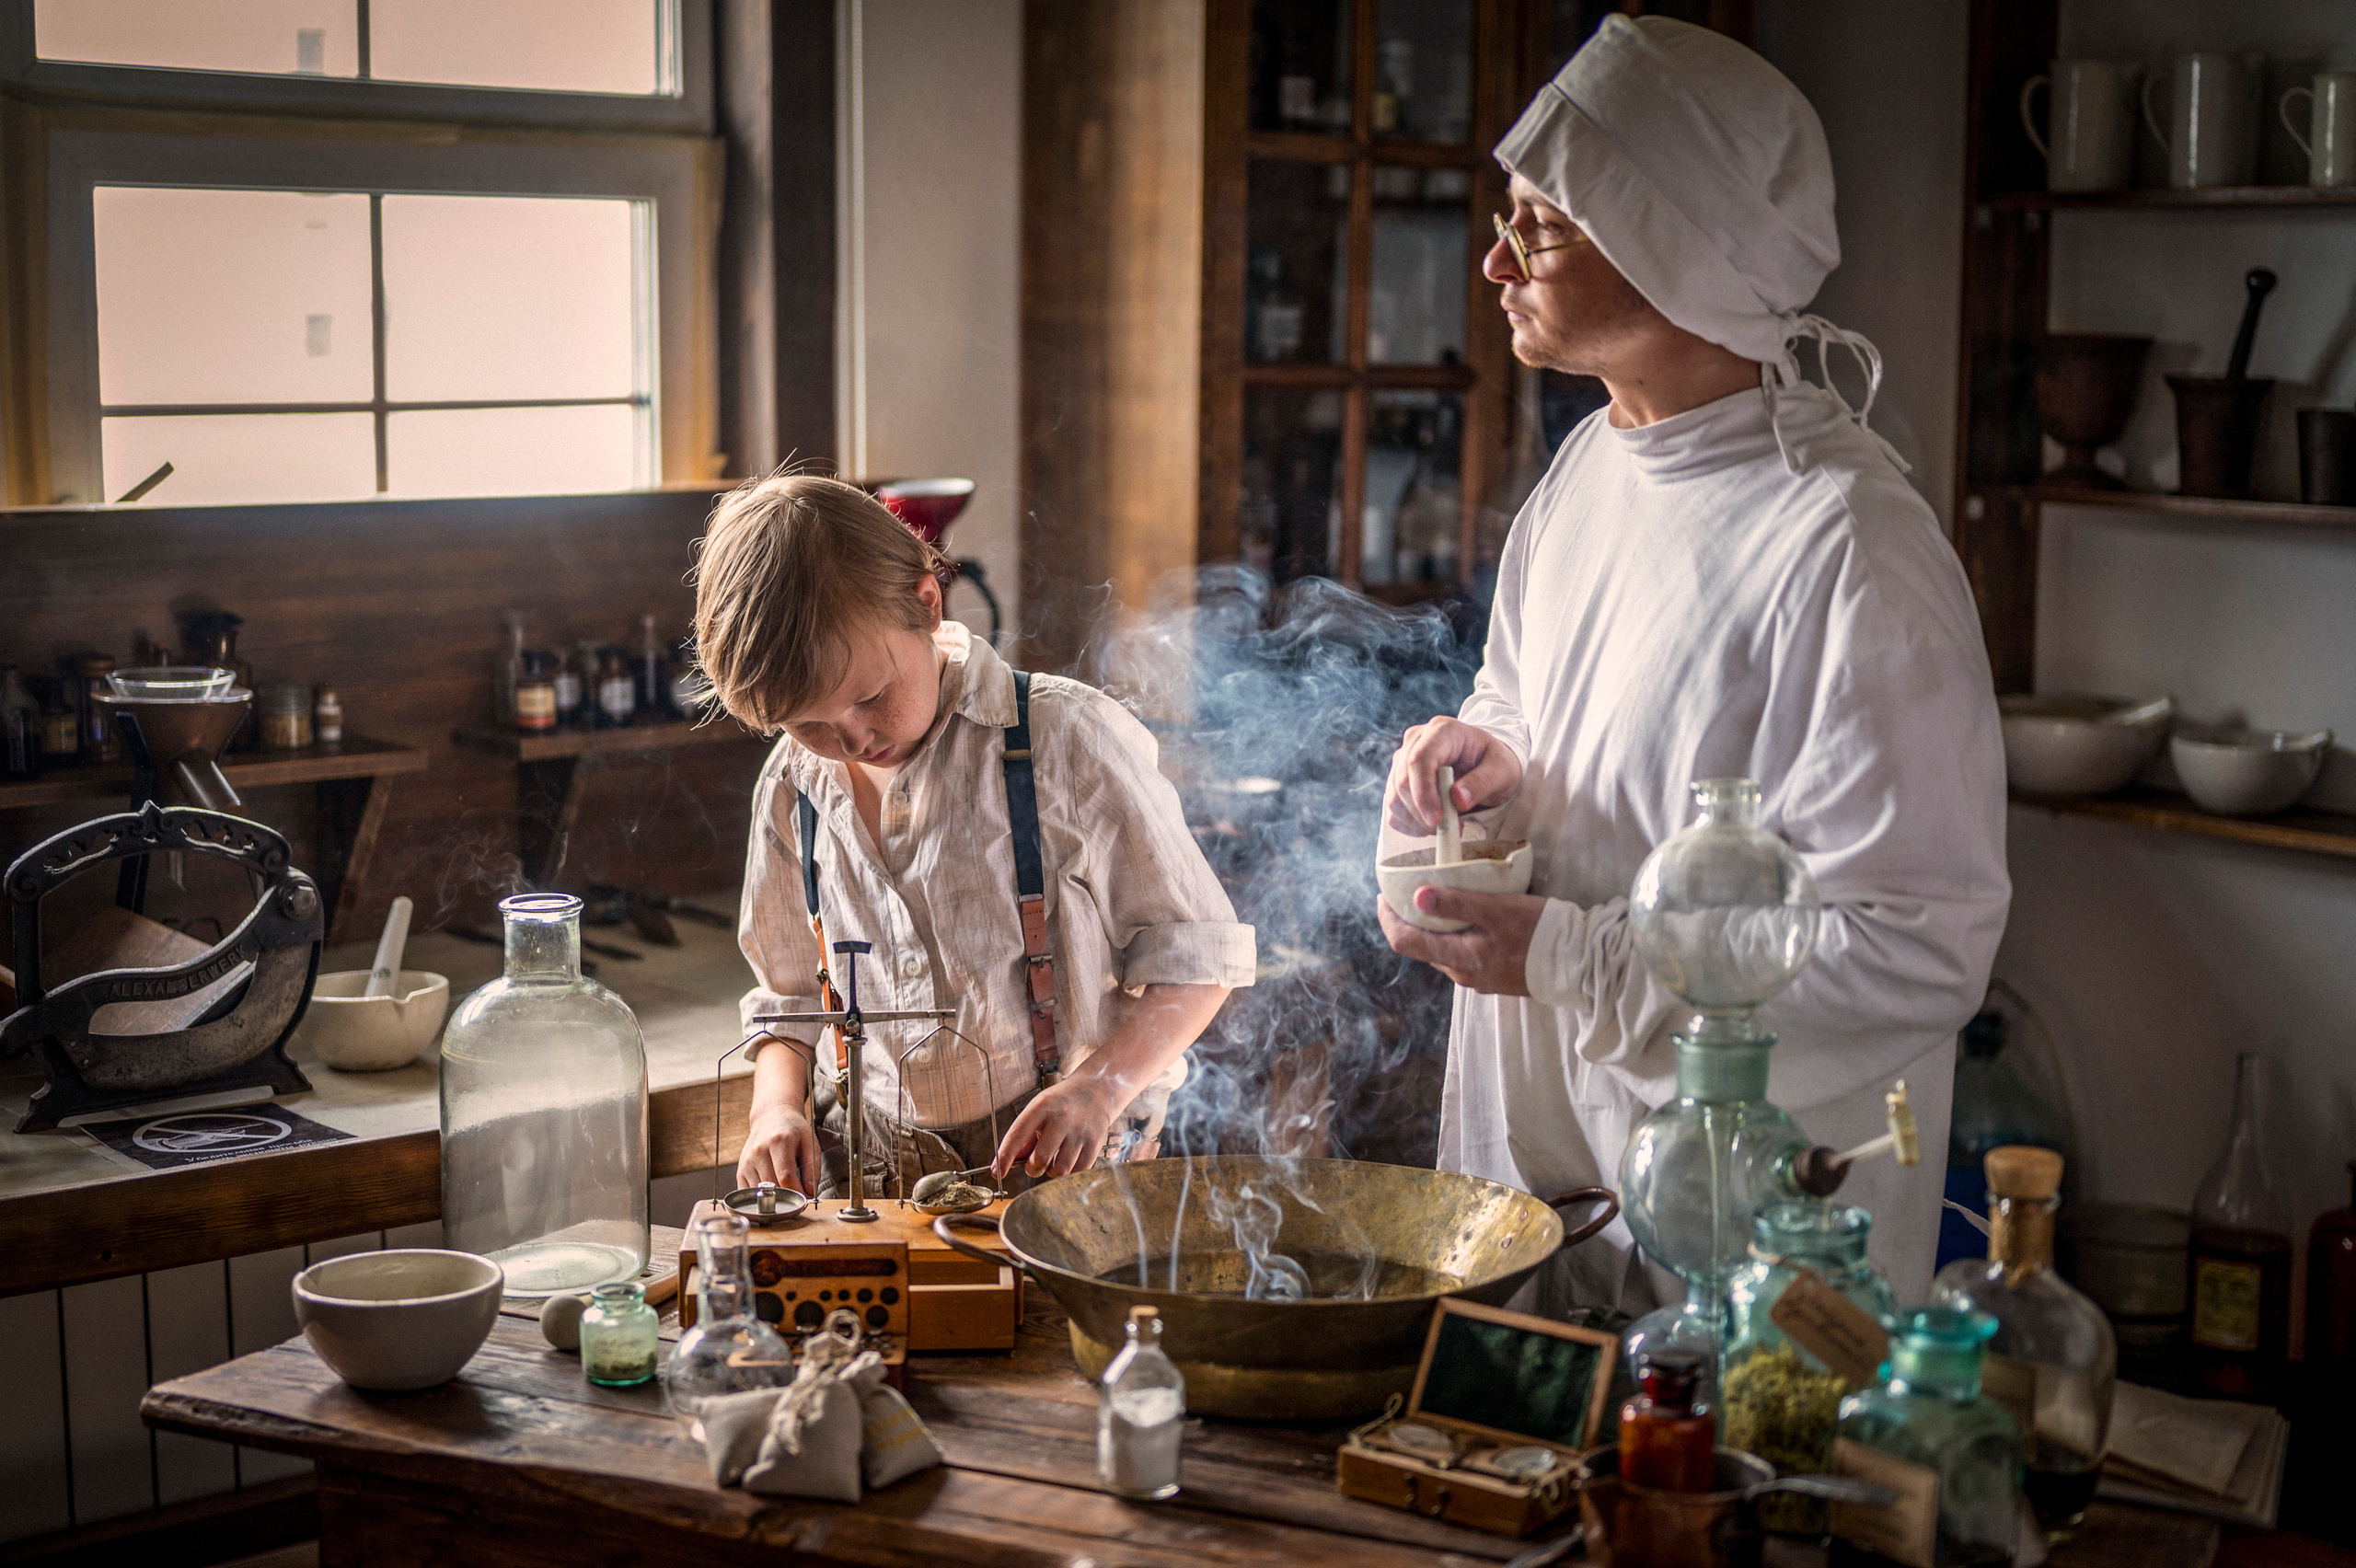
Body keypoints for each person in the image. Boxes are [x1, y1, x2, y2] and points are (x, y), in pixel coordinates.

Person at [1379, 17, 2009, 1309]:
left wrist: (1573, 960)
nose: (1494, 261)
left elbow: (1913, 948)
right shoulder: (1595, 463)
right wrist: (1490, 764)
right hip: (1540, 1168)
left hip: (1748, 1240)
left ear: (1677, 246)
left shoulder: (1847, 547)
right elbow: (1535, 699)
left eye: (1539, 228)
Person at [696, 474, 1255, 1196]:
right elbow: (789, 1000)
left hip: (1058, 1162)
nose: (853, 737)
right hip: (867, 1164)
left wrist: (1098, 1090)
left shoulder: (1066, 742)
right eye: (808, 723)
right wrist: (775, 1108)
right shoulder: (790, 784)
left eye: (869, 696)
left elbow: (1199, 959)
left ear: (928, 604)